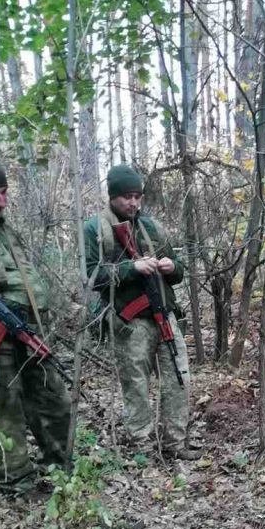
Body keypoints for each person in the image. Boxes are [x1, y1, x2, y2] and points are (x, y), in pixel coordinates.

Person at [0, 148, 71, 496]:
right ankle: (15, 482)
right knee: (4, 413)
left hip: (27, 332)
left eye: (4, 192)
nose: (1, 201)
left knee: (54, 398)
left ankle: (62, 466)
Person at [84, 164, 197, 459]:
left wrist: (172, 268)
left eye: (137, 196)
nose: (133, 203)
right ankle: (143, 448)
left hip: (164, 314)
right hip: (130, 322)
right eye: (126, 197)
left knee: (178, 377)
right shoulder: (96, 229)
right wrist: (131, 268)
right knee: (135, 386)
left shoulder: (151, 227)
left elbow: (178, 269)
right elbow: (93, 277)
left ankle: (176, 443)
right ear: (112, 197)